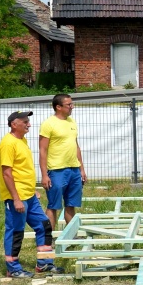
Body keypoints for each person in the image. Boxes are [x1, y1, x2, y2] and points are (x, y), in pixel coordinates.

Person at [0, 111, 63, 277]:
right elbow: (7, 173)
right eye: (25, 122)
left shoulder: (22, 140)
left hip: (29, 196)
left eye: (28, 121)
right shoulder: (8, 143)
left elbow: (21, 170)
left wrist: (31, 189)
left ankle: (44, 263)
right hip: (17, 198)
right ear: (14, 124)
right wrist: (16, 199)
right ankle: (13, 269)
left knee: (44, 225)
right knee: (16, 231)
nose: (29, 124)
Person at [39, 94, 86, 226]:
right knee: (53, 205)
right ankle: (49, 236)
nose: (72, 107)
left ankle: (73, 234)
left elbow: (76, 145)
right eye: (69, 105)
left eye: (72, 104)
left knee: (71, 204)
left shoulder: (71, 121)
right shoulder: (48, 124)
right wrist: (44, 175)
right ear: (58, 107)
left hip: (74, 169)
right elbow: (43, 150)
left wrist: (81, 169)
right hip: (56, 170)